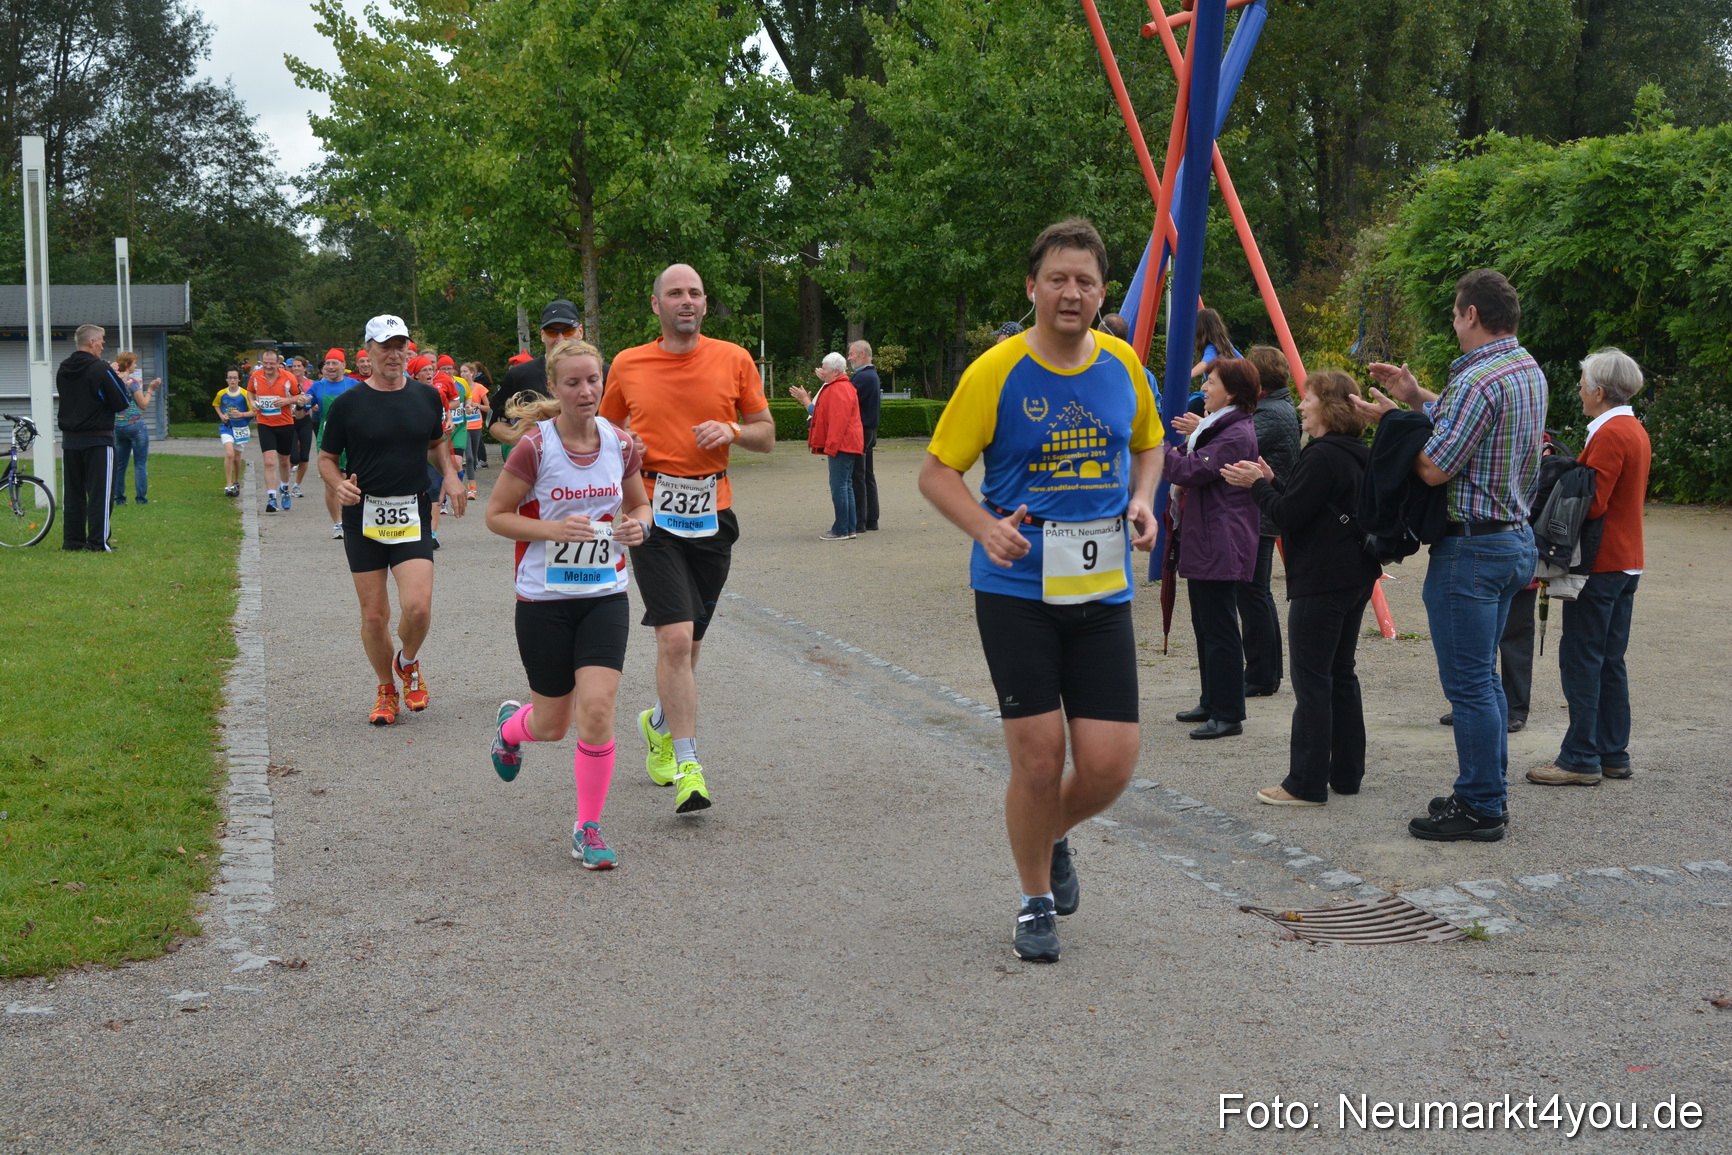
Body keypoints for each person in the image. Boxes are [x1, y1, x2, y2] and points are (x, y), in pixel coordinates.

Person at [918, 218, 1160, 964]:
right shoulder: (996, 371)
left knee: (1112, 762)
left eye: (1085, 280)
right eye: (1057, 277)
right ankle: (1033, 899)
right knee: (1037, 755)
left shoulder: (1123, 365)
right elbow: (936, 473)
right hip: (1016, 588)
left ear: (1102, 292)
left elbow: (1149, 445)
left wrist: (1145, 499)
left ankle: (1052, 830)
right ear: (1032, 287)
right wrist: (984, 528)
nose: (1071, 292)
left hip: (1102, 590)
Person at [1352, 268, 1546, 842]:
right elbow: (1476, 428)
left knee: (1470, 686)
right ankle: (1483, 789)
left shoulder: (1476, 381)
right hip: (1514, 539)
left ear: (1471, 315)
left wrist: (1395, 423)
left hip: (1472, 550)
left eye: (1455, 314)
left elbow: (1435, 466)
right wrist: (1418, 401)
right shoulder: (1524, 369)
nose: (1454, 323)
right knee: (1483, 683)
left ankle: (1483, 805)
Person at [597, 264, 776, 815]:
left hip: (712, 514)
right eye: (675, 293)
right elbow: (603, 435)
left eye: (695, 293)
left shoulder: (734, 358)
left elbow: (768, 435)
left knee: (690, 647)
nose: (687, 301)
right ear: (656, 306)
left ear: (704, 303)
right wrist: (627, 449)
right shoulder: (629, 363)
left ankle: (656, 722)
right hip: (652, 513)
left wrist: (735, 430)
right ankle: (689, 766)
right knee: (674, 640)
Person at [484, 339, 653, 869]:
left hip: (605, 594)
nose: (586, 391)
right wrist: (553, 528)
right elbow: (496, 515)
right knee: (553, 725)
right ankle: (512, 729)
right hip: (544, 600)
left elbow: (641, 504)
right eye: (574, 382)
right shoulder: (534, 447)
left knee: (598, 710)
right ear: (555, 389)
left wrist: (638, 526)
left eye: (594, 380)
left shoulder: (621, 444)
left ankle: (588, 828)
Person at [1222, 370, 1382, 805]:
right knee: (1341, 671)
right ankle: (1347, 773)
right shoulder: (1357, 451)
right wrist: (1273, 481)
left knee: (1312, 678)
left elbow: (1289, 516)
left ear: (1327, 406)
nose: (1300, 407)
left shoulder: (1322, 454)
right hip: (1354, 574)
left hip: (1323, 578)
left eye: (1308, 399)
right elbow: (1311, 504)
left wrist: (1255, 485)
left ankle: (1305, 782)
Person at [317, 315, 467, 725]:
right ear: (367, 351)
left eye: (401, 346)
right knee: (374, 615)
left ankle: (409, 662)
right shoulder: (348, 403)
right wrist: (337, 485)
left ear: (409, 350)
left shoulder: (426, 397)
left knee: (417, 608)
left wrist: (452, 476)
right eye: (385, 346)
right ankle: (386, 688)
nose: (394, 354)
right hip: (362, 515)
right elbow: (326, 460)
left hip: (411, 511)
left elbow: (437, 444)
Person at [1527, 348, 1651, 789]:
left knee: (1582, 658)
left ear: (1599, 391)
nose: (1579, 391)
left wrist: (1559, 473)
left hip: (1602, 564)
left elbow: (1592, 503)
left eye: (1582, 384)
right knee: (1609, 660)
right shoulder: (1632, 428)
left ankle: (1580, 756)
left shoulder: (1611, 433)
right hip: (1626, 561)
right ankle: (1611, 751)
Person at [1166, 358, 1263, 739]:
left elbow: (1191, 470)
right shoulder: (1219, 426)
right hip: (1208, 536)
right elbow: (1189, 459)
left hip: (1220, 538)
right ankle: (1212, 700)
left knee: (1219, 627)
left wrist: (1158, 452)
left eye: (1212, 381)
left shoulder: (1236, 432)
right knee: (1205, 624)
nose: (1204, 387)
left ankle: (1228, 713)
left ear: (1233, 392)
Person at [1238, 346, 1301, 696]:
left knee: (1252, 594)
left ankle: (1262, 674)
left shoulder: (1270, 413)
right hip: (1264, 510)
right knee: (1256, 593)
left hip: (1260, 512)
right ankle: (1267, 671)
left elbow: (1235, 444)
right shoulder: (1277, 406)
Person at [56, 324, 131, 551]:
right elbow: (122, 402)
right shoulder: (100, 368)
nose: (103, 345)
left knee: (74, 493)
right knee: (100, 493)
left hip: (70, 440)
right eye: (102, 340)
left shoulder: (63, 368)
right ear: (91, 342)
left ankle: (73, 541)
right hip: (98, 439)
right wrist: (118, 380)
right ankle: (98, 543)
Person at [788, 352, 864, 541]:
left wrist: (831, 447)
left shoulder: (839, 389)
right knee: (846, 486)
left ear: (836, 371)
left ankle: (841, 529)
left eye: (825, 368)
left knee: (840, 486)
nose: (823, 371)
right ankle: (848, 528)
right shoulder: (839, 386)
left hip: (842, 445)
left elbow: (837, 422)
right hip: (846, 444)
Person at [490, 301, 583, 453]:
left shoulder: (603, 374)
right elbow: (494, 422)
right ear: (542, 335)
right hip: (537, 470)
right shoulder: (519, 375)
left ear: (580, 331)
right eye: (552, 332)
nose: (560, 339)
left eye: (567, 331)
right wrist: (524, 440)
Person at [305, 349, 359, 538]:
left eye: (334, 363)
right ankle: (338, 523)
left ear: (343, 366)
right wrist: (298, 404)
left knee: (349, 477)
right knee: (330, 481)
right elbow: (298, 412)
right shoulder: (317, 387)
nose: (330, 367)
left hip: (351, 436)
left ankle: (352, 518)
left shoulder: (354, 385)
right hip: (326, 436)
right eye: (327, 363)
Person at [249, 349, 304, 512]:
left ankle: (285, 488)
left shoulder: (288, 377)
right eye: (265, 363)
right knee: (269, 461)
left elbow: (300, 396)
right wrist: (252, 402)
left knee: (284, 461)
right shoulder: (256, 376)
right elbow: (250, 391)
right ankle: (271, 498)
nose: (268, 367)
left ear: (278, 364)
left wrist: (286, 400)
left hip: (285, 423)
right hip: (265, 423)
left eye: (271, 364)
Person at [110, 351, 160, 506]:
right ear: (127, 364)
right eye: (134, 363)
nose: (136, 365)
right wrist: (151, 389)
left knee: (120, 465)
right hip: (136, 426)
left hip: (118, 426)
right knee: (140, 463)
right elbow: (143, 404)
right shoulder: (133, 382)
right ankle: (141, 499)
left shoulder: (112, 381)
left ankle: (119, 499)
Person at [846, 341, 882, 532]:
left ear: (862, 354)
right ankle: (871, 519)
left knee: (857, 476)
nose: (849, 358)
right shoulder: (870, 375)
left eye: (851, 354)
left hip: (862, 431)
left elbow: (844, 398)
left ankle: (860, 521)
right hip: (870, 430)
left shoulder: (862, 378)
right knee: (867, 475)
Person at [1186, 308, 1237, 415]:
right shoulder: (1227, 345)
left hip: (1214, 397)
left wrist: (1185, 376)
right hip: (1228, 396)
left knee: (1184, 413)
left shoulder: (1211, 347)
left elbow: (1205, 364)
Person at [213, 368, 255, 496]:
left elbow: (254, 412)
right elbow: (216, 404)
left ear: (239, 379)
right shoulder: (221, 393)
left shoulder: (244, 394)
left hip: (240, 429)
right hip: (227, 428)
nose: (232, 380)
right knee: (229, 454)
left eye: (235, 378)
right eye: (230, 377)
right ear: (226, 379)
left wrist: (241, 414)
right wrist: (221, 415)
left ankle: (236, 481)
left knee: (237, 459)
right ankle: (228, 484)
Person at [289, 356, 318, 498]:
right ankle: (285, 482)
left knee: (304, 456)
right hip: (290, 420)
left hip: (305, 420)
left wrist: (316, 404)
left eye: (299, 366)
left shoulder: (311, 384)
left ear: (305, 368)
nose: (296, 369)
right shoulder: (287, 383)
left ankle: (296, 486)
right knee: (293, 457)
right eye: (294, 366)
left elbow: (315, 398)